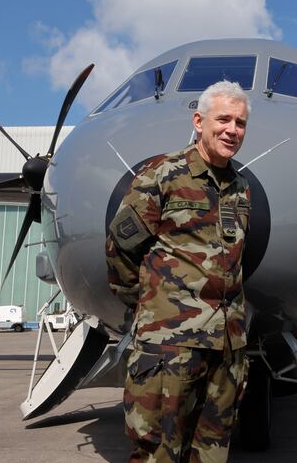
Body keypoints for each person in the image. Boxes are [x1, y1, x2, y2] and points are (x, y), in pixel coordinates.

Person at [106, 80, 252, 462]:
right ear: (199, 122)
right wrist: (150, 306)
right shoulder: (162, 175)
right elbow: (120, 247)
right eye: (223, 119)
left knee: (213, 453)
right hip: (170, 346)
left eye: (240, 123)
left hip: (226, 349)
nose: (232, 130)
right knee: (158, 452)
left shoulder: (240, 188)